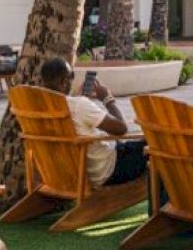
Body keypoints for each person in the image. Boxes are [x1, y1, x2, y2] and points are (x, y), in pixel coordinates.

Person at [40, 57, 145, 188]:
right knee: (156, 145)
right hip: (105, 171)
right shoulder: (79, 105)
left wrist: (80, 99)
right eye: (71, 75)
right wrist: (108, 99)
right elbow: (121, 129)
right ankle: (164, 204)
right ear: (64, 81)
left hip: (73, 172)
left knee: (125, 144)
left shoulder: (40, 106)